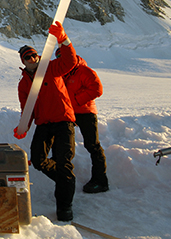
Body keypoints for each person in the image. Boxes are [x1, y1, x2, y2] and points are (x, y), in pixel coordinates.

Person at [14, 22, 78, 222]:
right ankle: (65, 181)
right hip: (44, 123)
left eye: (33, 55)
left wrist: (63, 39)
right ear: (23, 62)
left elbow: (70, 62)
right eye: (27, 57)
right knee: (38, 160)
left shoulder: (50, 67)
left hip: (63, 121)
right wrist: (23, 126)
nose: (32, 58)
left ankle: (64, 206)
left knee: (64, 161)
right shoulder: (23, 83)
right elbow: (27, 108)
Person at [61, 52, 108, 193]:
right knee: (65, 146)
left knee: (92, 145)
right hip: (70, 113)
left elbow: (97, 89)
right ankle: (65, 179)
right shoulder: (64, 73)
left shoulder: (84, 70)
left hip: (87, 113)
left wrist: (75, 101)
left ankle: (101, 181)